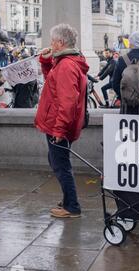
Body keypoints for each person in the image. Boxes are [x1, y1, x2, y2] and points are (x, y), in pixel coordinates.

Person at [35, 23, 89, 219]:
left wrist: (59, 130)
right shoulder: (66, 61)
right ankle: (68, 199)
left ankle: (72, 206)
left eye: (52, 40)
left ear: (60, 42)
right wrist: (45, 61)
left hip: (57, 124)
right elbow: (51, 80)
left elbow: (67, 101)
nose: (50, 43)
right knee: (57, 161)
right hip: (57, 122)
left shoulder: (66, 65)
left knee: (61, 164)